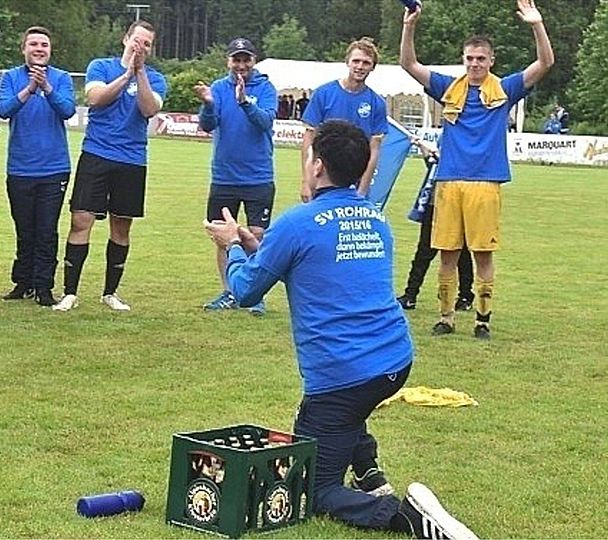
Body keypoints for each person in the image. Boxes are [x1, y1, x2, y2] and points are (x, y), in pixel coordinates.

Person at [204, 120, 478, 540]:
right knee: (345, 415)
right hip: (393, 359)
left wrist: (232, 245)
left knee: (312, 488)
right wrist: (257, 246)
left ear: (317, 167)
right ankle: (369, 471)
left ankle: (409, 518)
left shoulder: (296, 222)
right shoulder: (374, 217)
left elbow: (244, 290)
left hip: (342, 374)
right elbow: (314, 262)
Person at [400, 0, 554, 339]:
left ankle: (482, 320)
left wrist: (536, 24)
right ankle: (446, 317)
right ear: (463, 59)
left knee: (483, 254)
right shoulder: (447, 87)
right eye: (469, 58)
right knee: (447, 254)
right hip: (449, 181)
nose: (474, 64)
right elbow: (408, 63)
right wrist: (409, 25)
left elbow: (545, 62)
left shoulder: (505, 89)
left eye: (480, 58)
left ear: (491, 61)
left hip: (486, 183)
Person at [52, 20, 167, 312]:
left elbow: (149, 109)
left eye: (146, 44)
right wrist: (127, 73)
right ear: (125, 39)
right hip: (96, 154)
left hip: (131, 160)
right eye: (136, 40)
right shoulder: (100, 67)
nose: (140, 47)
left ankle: (110, 293)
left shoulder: (155, 78)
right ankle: (70, 292)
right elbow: (96, 98)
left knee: (121, 225)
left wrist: (139, 74)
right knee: (81, 220)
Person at [0, 26, 76, 307]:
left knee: (46, 230)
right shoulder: (10, 77)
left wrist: (47, 88)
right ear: (24, 49)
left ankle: (44, 286)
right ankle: (22, 282)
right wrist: (30, 89)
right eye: (33, 44)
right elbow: (3, 110)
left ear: (50, 50)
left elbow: (68, 110)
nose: (39, 48)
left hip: (54, 169)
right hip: (20, 168)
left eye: (44, 44)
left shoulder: (62, 78)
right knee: (24, 229)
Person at [194, 37, 275, 315]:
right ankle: (229, 291)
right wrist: (207, 104)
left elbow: (265, 121)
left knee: (256, 236)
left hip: (258, 177)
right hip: (224, 176)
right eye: (236, 59)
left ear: (254, 61)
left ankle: (255, 294)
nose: (241, 65)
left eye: (246, 59)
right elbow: (207, 125)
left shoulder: (265, 88)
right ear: (228, 61)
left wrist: (244, 102)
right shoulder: (217, 88)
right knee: (222, 235)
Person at [301, 38, 387, 201]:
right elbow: (309, 140)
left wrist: (362, 191)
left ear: (373, 67)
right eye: (356, 61)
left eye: (366, 63)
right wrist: (306, 181)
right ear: (347, 62)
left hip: (355, 181)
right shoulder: (323, 94)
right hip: (323, 179)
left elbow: (374, 149)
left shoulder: (377, 103)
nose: (360, 66)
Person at [397, 143, 475, 311]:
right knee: (424, 253)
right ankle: (410, 295)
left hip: (455, 206)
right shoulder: (447, 139)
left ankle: (465, 295)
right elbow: (433, 166)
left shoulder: (462, 146)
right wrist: (424, 149)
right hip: (434, 206)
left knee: (461, 253)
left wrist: (437, 155)